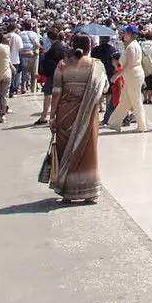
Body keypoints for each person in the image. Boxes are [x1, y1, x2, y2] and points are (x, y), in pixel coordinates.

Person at [48, 35, 107, 203]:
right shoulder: (97, 66)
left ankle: (68, 190)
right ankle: (89, 191)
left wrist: (52, 116)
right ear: (90, 47)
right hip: (88, 113)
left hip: (66, 113)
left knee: (65, 148)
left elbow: (56, 92)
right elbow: (104, 89)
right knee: (88, 150)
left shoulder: (62, 65)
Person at [106, 25, 149, 133]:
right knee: (125, 100)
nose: (123, 35)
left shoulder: (131, 47)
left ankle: (142, 126)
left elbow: (129, 65)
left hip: (133, 75)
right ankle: (114, 122)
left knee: (135, 101)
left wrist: (117, 75)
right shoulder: (131, 45)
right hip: (131, 75)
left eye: (125, 33)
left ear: (129, 35)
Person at [38, 28, 67, 125]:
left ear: (50, 38)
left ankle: (44, 116)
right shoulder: (61, 46)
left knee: (48, 94)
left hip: (53, 74)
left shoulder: (54, 48)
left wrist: (43, 72)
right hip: (61, 73)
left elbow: (50, 63)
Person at [0, 32, 15, 123]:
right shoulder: (6, 47)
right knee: (5, 94)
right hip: (7, 72)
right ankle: (3, 114)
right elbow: (8, 58)